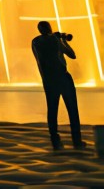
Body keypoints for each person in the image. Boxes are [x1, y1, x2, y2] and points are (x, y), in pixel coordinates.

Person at [31, 21, 84, 150]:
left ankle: (55, 141)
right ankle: (77, 141)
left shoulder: (35, 42)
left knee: (52, 110)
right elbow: (72, 55)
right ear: (49, 28)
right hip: (63, 78)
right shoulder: (55, 40)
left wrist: (55, 37)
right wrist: (63, 41)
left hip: (48, 80)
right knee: (72, 110)